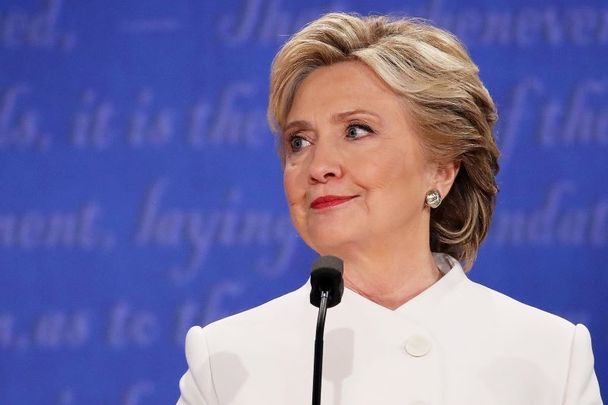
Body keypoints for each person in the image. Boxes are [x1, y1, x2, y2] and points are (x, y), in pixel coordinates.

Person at [177, 12, 602, 404]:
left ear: (441, 170)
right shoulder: (225, 362)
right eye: (299, 142)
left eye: (356, 130)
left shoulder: (550, 357)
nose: (319, 166)